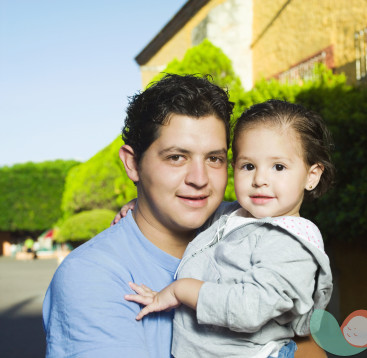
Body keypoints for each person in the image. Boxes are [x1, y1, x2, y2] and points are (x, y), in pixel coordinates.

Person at [42, 74, 235, 358]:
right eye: (176, 157)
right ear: (133, 164)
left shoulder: (251, 235)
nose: (199, 178)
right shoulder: (91, 277)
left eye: (214, 159)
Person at [124, 99, 335, 358]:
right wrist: (140, 202)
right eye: (248, 166)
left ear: (311, 176)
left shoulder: (292, 245)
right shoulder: (231, 214)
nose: (260, 180)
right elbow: (187, 208)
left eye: (278, 167)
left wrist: (182, 290)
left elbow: (249, 309)